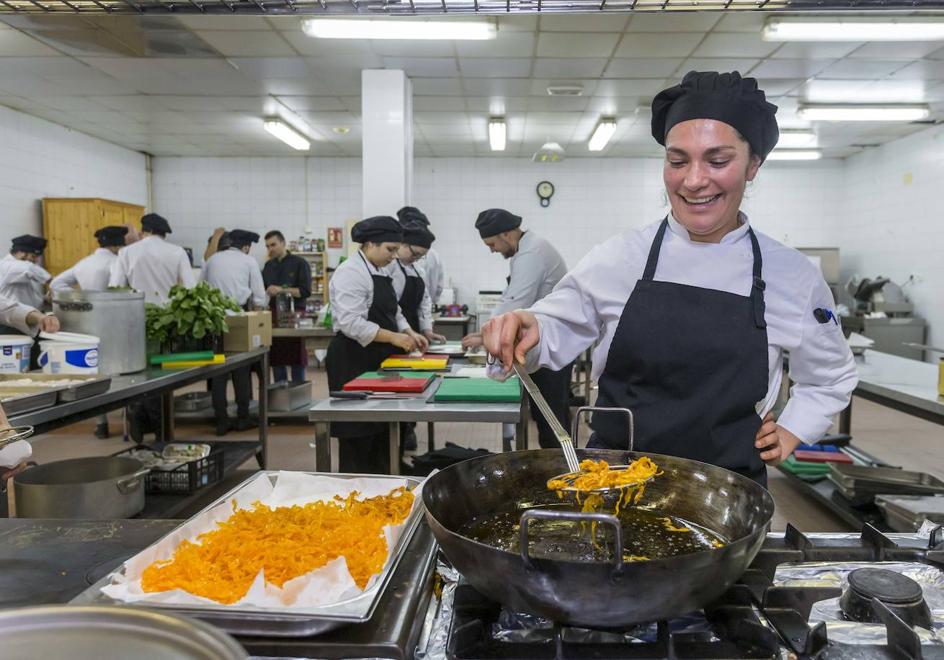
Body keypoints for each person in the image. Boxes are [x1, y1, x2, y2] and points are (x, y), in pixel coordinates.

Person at [482, 71, 858, 487]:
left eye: (718, 161)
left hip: (725, 493)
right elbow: (554, 327)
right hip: (610, 482)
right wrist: (526, 327)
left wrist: (792, 429)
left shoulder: (791, 274)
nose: (694, 180)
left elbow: (831, 375)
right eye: (678, 161)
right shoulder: (621, 257)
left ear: (753, 165)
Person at [463, 209, 573, 451]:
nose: (492, 250)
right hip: (546, 342)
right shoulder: (527, 250)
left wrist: (486, 333)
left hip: (551, 346)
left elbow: (515, 302)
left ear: (506, 233)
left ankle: (561, 473)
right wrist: (484, 334)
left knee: (551, 420)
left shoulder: (531, 253)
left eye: (492, 243)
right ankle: (560, 468)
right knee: (551, 416)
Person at [326, 217, 425, 474]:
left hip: (378, 356)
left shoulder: (381, 269)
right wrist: (393, 337)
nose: (394, 256)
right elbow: (351, 323)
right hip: (352, 358)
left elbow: (394, 310)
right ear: (370, 244)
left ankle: (384, 483)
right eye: (390, 249)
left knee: (383, 427)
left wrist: (408, 330)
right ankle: (355, 489)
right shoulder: (351, 272)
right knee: (359, 430)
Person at [50, 225, 128, 439]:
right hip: (114, 322)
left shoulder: (84, 263)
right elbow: (118, 288)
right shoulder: (115, 262)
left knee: (97, 370)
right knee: (122, 371)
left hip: (86, 323)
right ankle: (129, 421)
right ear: (116, 245)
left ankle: (101, 423)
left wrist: (79, 300)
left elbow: (57, 283)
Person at [201, 229, 267, 435]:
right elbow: (259, 297)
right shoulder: (248, 262)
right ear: (246, 247)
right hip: (239, 319)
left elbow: (199, 287)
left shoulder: (212, 260)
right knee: (241, 371)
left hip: (214, 319)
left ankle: (221, 421)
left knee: (219, 373)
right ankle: (243, 417)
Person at [390, 220, 446, 451]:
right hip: (393, 332)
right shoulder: (390, 268)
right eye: (414, 253)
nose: (416, 258)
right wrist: (406, 332)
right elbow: (392, 307)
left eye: (420, 255)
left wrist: (426, 329)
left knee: (412, 382)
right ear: (402, 244)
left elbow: (424, 302)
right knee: (395, 386)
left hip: (412, 332)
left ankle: (408, 429)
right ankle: (397, 434)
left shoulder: (417, 269)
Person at [108, 213, 196, 304]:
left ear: (143, 232)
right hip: (168, 314)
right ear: (164, 235)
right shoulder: (178, 252)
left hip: (138, 311)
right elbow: (191, 287)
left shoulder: (125, 252)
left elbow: (116, 288)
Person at [262, 230, 312, 384]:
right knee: (277, 357)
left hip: (295, 315)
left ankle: (299, 392)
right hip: (275, 315)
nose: (271, 249)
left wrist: (281, 290)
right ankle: (279, 393)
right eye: (268, 246)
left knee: (296, 356)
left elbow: (305, 291)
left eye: (273, 244)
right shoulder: (268, 266)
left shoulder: (299, 263)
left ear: (283, 243)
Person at [50, 226, 128, 292]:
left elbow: (55, 284)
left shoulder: (82, 263)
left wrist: (81, 297)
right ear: (118, 246)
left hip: (86, 308)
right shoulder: (116, 261)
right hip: (110, 307)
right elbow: (117, 289)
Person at [397, 207, 445, 305]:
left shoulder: (421, 256)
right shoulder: (391, 262)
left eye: (418, 256)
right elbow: (439, 288)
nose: (415, 259)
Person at [0, 235, 51, 310]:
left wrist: (44, 300)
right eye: (33, 256)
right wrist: (52, 280)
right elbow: (28, 268)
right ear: (20, 253)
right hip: (10, 319)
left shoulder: (19, 272)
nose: (36, 261)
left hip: (26, 317)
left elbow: (27, 297)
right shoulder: (6, 265)